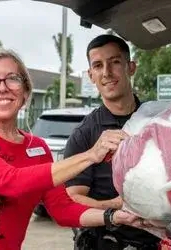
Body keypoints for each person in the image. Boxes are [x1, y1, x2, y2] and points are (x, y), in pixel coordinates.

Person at [0, 47, 149, 250]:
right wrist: (91, 155)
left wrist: (115, 216)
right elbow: (9, 181)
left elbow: (62, 209)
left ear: (25, 92)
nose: (2, 88)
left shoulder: (37, 148)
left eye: (12, 79)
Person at [64, 34, 161, 249]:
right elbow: (72, 199)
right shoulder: (84, 134)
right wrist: (116, 209)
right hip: (108, 242)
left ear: (131, 67)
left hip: (160, 242)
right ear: (91, 75)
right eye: (98, 66)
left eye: (115, 62)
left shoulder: (158, 123)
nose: (106, 73)